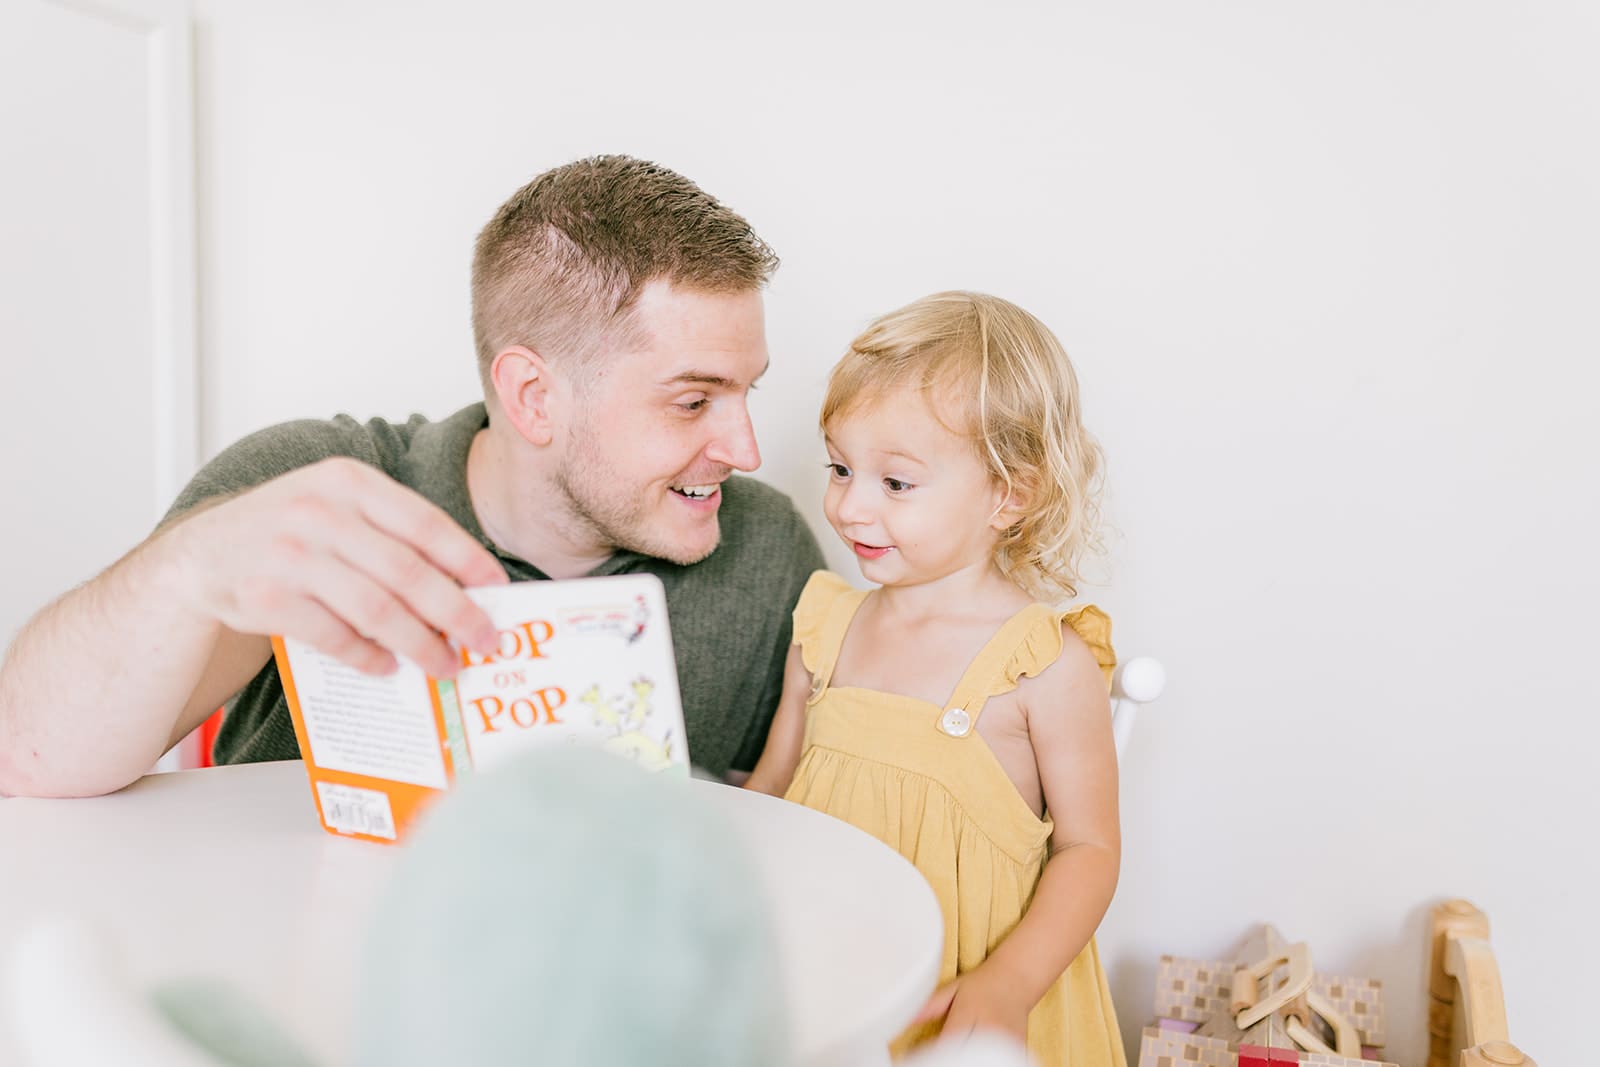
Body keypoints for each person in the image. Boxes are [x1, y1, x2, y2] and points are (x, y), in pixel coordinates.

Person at [0, 155, 824, 798]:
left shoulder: (765, 548)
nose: (745, 449)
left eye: (746, 391)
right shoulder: (311, 489)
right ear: (533, 397)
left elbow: (824, 832)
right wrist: (186, 568)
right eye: (692, 402)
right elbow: (26, 755)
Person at [744, 291, 1125, 1065]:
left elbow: (1090, 848)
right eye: (842, 467)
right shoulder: (825, 627)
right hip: (833, 976)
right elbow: (770, 797)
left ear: (1009, 495)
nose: (850, 506)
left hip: (969, 998)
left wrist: (1011, 982)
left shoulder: (1045, 663)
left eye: (897, 483)